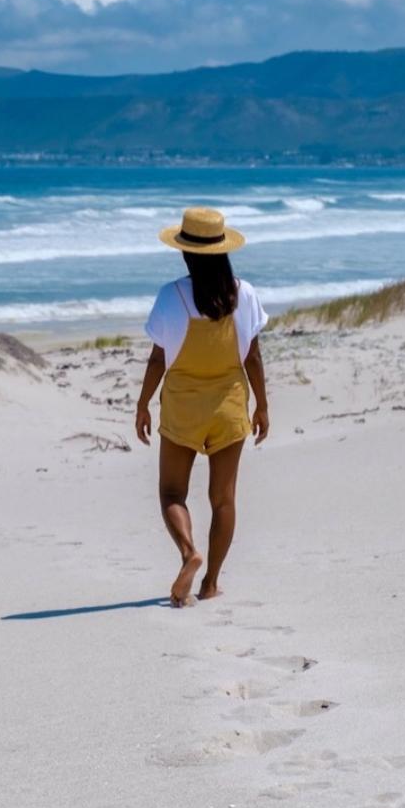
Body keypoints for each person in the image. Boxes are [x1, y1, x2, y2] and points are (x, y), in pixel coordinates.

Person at [135, 207, 270, 607]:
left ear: (185, 252)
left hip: (183, 408)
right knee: (223, 500)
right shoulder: (244, 294)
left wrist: (143, 404)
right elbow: (253, 357)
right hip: (229, 406)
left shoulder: (171, 296)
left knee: (172, 492)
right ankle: (210, 583)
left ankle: (188, 552)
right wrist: (262, 406)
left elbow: (157, 360)